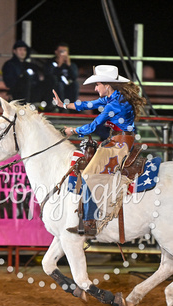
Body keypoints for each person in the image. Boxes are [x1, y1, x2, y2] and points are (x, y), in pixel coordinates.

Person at [53, 65, 146, 236]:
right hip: (119, 140)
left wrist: (71, 131)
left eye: (97, 85)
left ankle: (90, 222)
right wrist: (64, 105)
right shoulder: (114, 98)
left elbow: (93, 126)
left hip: (120, 144)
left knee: (89, 174)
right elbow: (88, 104)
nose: (95, 88)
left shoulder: (114, 105)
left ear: (107, 86)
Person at [44, 42, 79, 110]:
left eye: (65, 51)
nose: (63, 54)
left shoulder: (71, 64)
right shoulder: (51, 63)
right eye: (61, 51)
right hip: (55, 86)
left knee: (75, 84)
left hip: (67, 86)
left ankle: (73, 108)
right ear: (56, 52)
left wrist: (69, 65)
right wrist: (59, 65)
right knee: (59, 85)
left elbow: (74, 76)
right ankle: (61, 108)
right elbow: (49, 75)